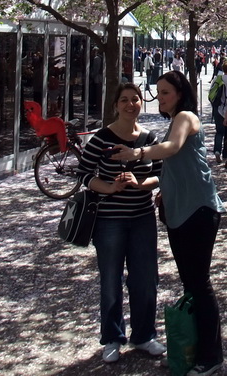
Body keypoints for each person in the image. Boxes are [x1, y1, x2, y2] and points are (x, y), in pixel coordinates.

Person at [115, 71, 225, 376]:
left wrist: (137, 152)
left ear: (179, 93)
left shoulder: (186, 117)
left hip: (199, 210)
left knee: (199, 284)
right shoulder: (174, 120)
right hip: (179, 211)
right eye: (159, 92)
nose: (160, 97)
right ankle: (191, 349)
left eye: (165, 93)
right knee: (191, 284)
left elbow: (173, 148)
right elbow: (173, 168)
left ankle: (211, 355)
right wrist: (152, 185)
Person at [77, 83, 166, 362]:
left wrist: (141, 184)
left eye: (135, 99)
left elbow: (161, 174)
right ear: (115, 105)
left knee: (145, 280)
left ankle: (144, 335)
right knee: (111, 281)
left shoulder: (150, 138)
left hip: (142, 218)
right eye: (124, 100)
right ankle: (112, 337)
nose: (130, 105)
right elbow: (82, 174)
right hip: (109, 220)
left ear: (142, 103)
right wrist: (108, 187)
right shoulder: (101, 138)